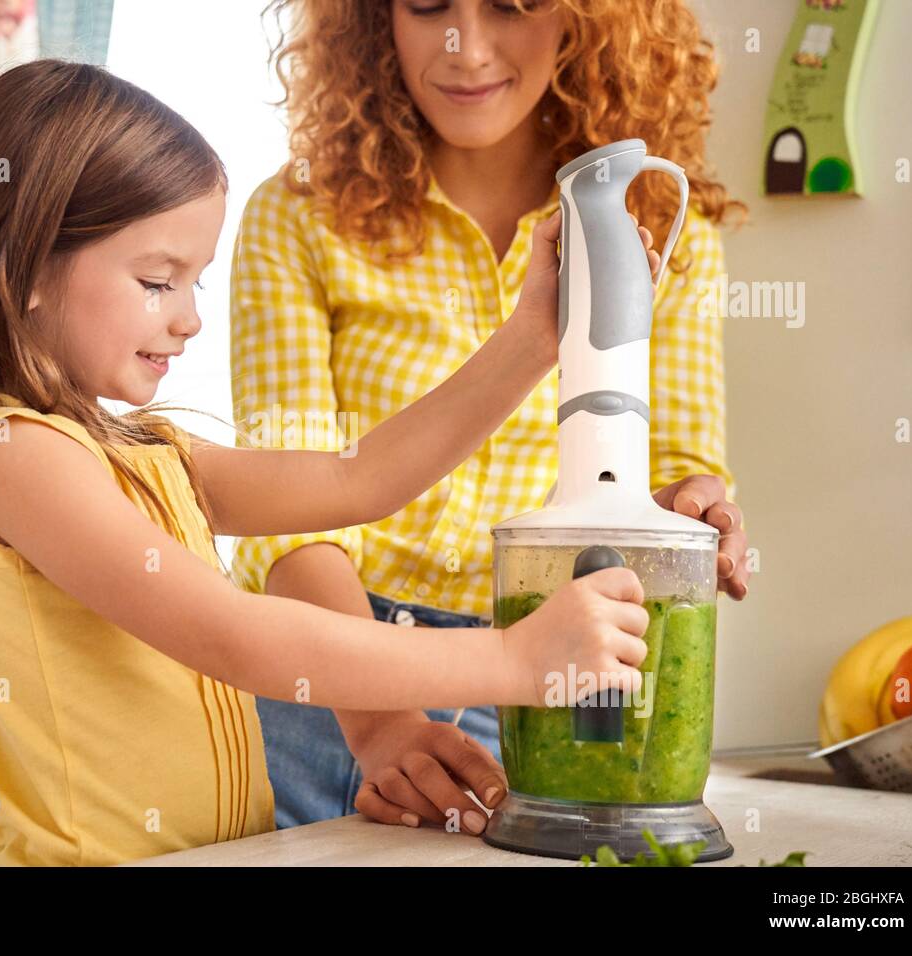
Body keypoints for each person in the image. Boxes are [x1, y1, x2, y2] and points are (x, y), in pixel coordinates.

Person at [0, 59, 659, 865]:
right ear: (23, 267)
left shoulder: (145, 452)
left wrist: (532, 339)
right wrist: (512, 659)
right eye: (158, 280)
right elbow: (236, 635)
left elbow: (361, 479)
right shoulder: (11, 458)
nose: (191, 318)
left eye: (197, 282)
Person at [231, 0, 751, 831]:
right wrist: (379, 718)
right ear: (374, 20)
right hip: (314, 684)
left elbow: (675, 469)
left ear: (586, 20)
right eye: (427, 5)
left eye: (511, 5)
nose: (465, 48)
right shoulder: (296, 218)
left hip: (533, 684)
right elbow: (284, 514)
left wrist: (693, 513)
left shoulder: (655, 232)